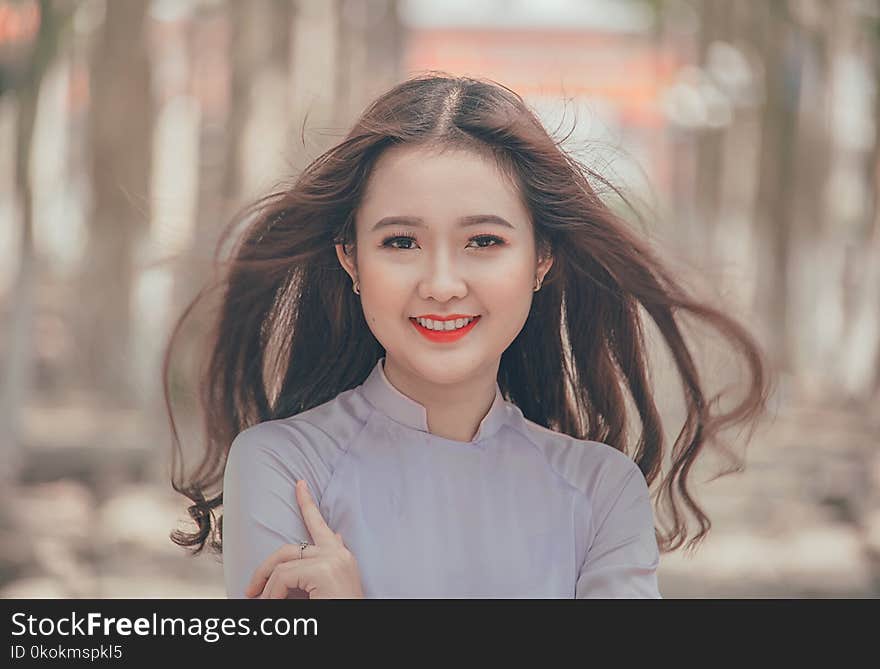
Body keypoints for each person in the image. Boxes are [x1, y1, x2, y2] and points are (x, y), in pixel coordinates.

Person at [165, 73, 770, 598]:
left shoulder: (602, 492)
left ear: (542, 258)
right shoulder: (282, 466)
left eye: (484, 241)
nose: (443, 283)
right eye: (400, 242)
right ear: (350, 259)